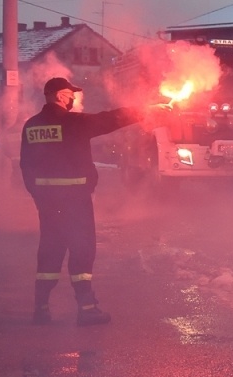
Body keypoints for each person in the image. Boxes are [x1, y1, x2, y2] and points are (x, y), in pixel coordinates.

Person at [20, 77, 142, 325]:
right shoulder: (73, 123)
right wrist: (144, 111)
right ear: (60, 96)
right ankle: (87, 309)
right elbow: (110, 120)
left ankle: (41, 308)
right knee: (82, 250)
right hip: (76, 201)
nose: (74, 98)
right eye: (70, 94)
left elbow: (26, 165)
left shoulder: (31, 126)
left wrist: (38, 194)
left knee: (50, 250)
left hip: (47, 203)